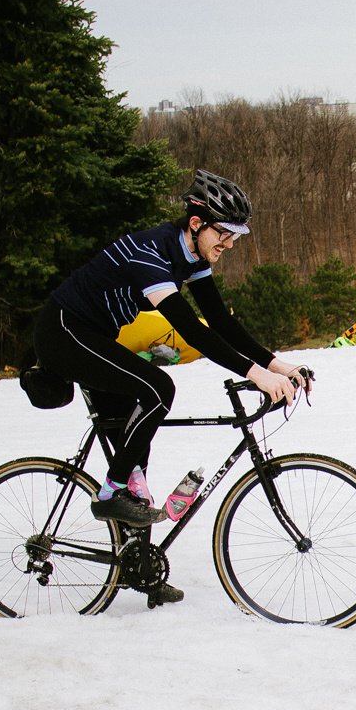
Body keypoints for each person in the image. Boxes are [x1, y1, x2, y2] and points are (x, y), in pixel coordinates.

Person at [33, 170, 306, 528]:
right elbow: (192, 331)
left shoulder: (192, 257)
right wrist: (257, 375)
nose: (230, 243)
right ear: (196, 223)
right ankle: (109, 493)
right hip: (64, 332)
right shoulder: (151, 255)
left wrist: (276, 364)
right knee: (158, 388)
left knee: (138, 473)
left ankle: (138, 563)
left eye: (236, 235)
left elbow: (220, 322)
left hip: (96, 337)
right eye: (224, 233)